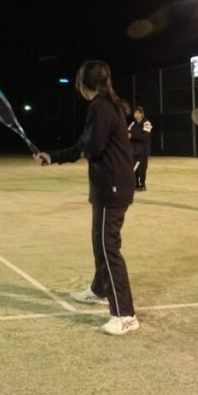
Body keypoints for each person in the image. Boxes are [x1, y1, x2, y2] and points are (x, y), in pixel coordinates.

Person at [35, 60, 139, 336]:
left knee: (108, 247)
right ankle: (99, 289)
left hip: (112, 187)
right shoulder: (109, 104)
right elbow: (86, 145)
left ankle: (125, 314)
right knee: (99, 242)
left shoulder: (100, 107)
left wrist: (61, 155)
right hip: (109, 185)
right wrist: (54, 157)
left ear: (82, 85)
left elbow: (91, 147)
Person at [128, 105, 152, 191]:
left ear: (142, 114)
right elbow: (127, 132)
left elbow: (145, 136)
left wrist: (132, 135)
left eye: (138, 113)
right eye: (135, 113)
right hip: (134, 150)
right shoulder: (133, 123)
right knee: (134, 169)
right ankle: (135, 185)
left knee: (142, 169)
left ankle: (142, 185)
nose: (136, 114)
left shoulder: (147, 123)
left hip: (143, 151)